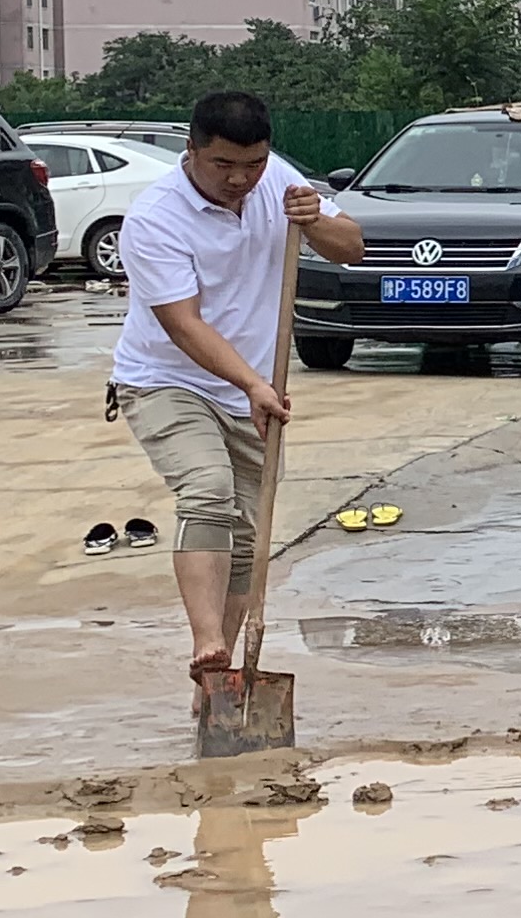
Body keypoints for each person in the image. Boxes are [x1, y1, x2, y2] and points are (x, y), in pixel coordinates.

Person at [108, 89, 365, 711]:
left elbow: (351, 248)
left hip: (254, 387)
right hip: (167, 380)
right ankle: (206, 644)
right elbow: (183, 323)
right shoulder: (155, 218)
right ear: (191, 151)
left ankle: (219, 684)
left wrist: (316, 219)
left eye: (252, 163)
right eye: (224, 165)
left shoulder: (276, 180)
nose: (240, 179)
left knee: (249, 536)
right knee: (207, 491)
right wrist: (251, 383)